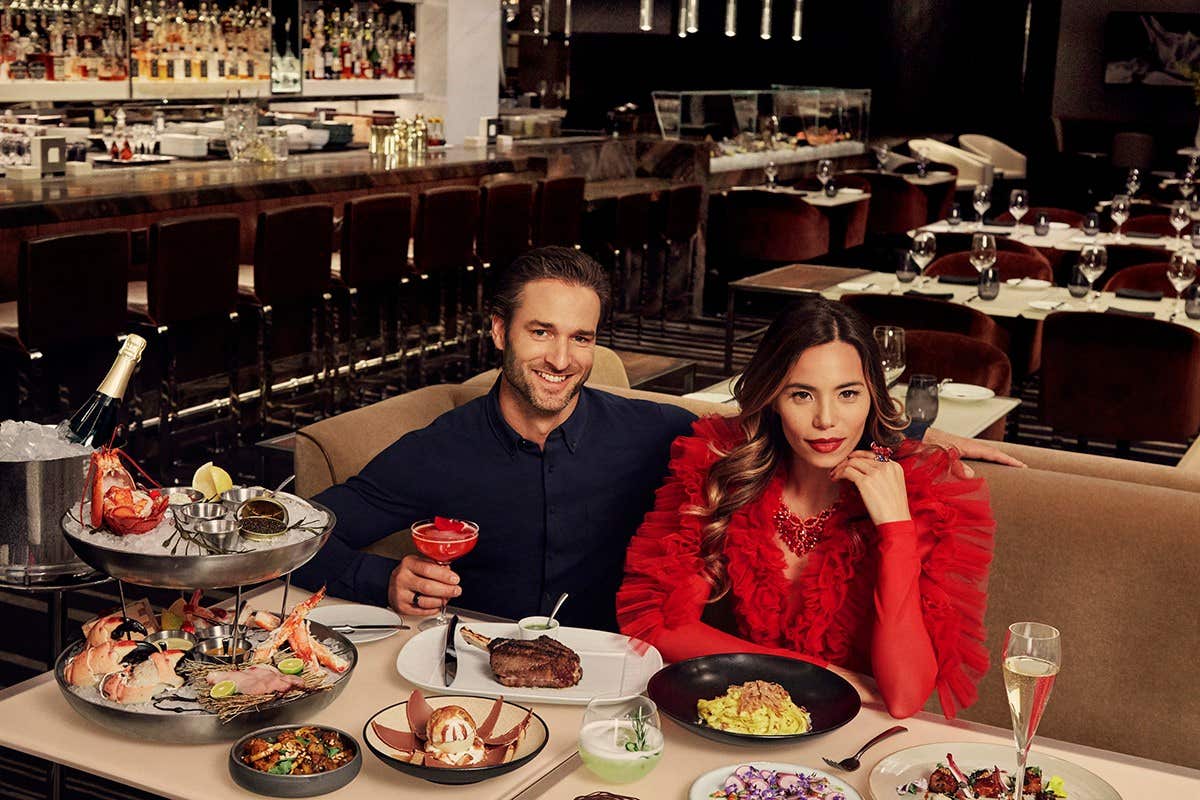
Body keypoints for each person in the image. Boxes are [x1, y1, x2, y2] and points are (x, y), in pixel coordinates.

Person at [294, 246, 1019, 633]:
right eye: (541, 332)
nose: (561, 358)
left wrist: (915, 434)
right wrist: (384, 581)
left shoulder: (653, 431)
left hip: (621, 681)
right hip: (478, 674)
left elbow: (788, 418)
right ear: (498, 332)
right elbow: (300, 537)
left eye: (581, 337)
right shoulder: (437, 450)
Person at [616, 295, 995, 719]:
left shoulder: (916, 498)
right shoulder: (726, 471)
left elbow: (906, 697)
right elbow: (657, 624)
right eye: (802, 395)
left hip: (856, 728)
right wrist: (809, 671)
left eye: (847, 393)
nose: (826, 419)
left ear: (873, 396)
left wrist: (896, 531)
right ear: (773, 398)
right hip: (746, 719)